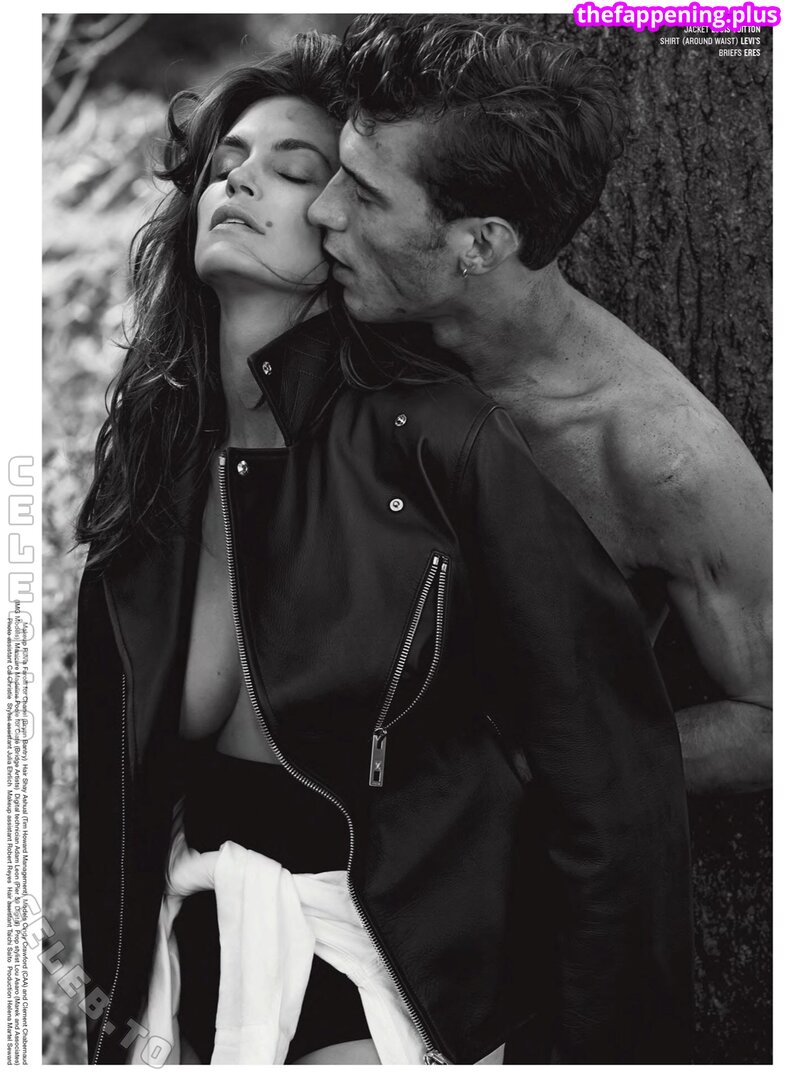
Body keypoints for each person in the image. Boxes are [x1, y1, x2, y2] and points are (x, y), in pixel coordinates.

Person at [75, 31, 692, 1068]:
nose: (243, 182)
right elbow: (117, 792)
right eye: (228, 161)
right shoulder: (152, 452)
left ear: (342, 226)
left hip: (393, 974)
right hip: (183, 971)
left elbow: (611, 785)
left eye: (298, 170)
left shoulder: (439, 438)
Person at [309, 14, 772, 798]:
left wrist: (521, 779)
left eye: (364, 194)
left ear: (481, 245)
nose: (323, 211)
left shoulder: (666, 460)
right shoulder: (356, 324)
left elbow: (770, 722)